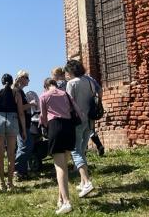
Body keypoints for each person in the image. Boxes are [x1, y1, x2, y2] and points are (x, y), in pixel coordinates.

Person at [40, 77, 84, 215]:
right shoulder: (65, 93)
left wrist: (45, 128)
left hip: (56, 127)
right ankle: (60, 199)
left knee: (59, 167)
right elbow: (76, 109)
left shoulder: (44, 96)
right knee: (64, 165)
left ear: (46, 86)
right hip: (69, 128)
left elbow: (43, 117)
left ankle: (66, 202)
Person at [64, 59, 96, 198]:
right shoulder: (89, 81)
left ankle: (87, 182)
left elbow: (68, 103)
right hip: (90, 119)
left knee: (76, 151)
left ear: (71, 71)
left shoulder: (72, 83)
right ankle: (83, 182)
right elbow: (96, 95)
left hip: (77, 120)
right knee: (82, 150)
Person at [0, 73, 26, 191]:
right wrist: (23, 130)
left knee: (0, 154)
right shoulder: (16, 93)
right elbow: (21, 113)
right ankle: (10, 184)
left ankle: (2, 183)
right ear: (11, 82)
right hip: (12, 120)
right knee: (11, 154)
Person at [14, 70, 36, 180]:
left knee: (26, 145)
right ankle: (17, 170)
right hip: (20, 123)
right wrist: (30, 104)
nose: (28, 80)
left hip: (24, 123)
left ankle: (21, 170)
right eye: (27, 77)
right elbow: (19, 109)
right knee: (24, 147)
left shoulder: (20, 91)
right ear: (21, 78)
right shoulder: (17, 91)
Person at [80, 72, 105, 156]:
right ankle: (99, 145)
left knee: (81, 131)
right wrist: (98, 103)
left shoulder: (74, 81)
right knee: (90, 129)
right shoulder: (90, 79)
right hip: (91, 108)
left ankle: (83, 152)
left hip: (80, 109)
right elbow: (100, 90)